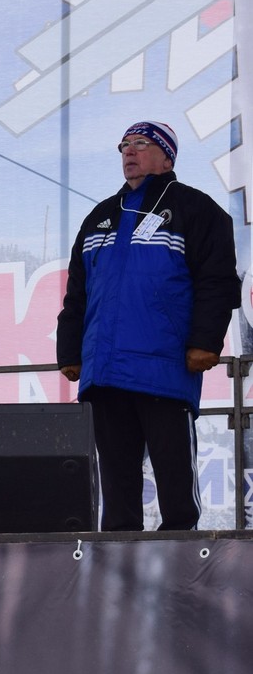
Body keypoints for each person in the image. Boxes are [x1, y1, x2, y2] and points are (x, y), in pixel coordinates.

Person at [56, 121, 240, 530]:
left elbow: (217, 280)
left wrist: (206, 340)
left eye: (141, 143)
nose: (129, 151)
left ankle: (183, 554)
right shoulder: (99, 217)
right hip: (106, 372)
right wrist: (69, 349)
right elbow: (77, 293)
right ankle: (119, 560)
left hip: (164, 367)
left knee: (175, 481)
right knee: (116, 487)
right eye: (124, 145)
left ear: (167, 157)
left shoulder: (196, 208)